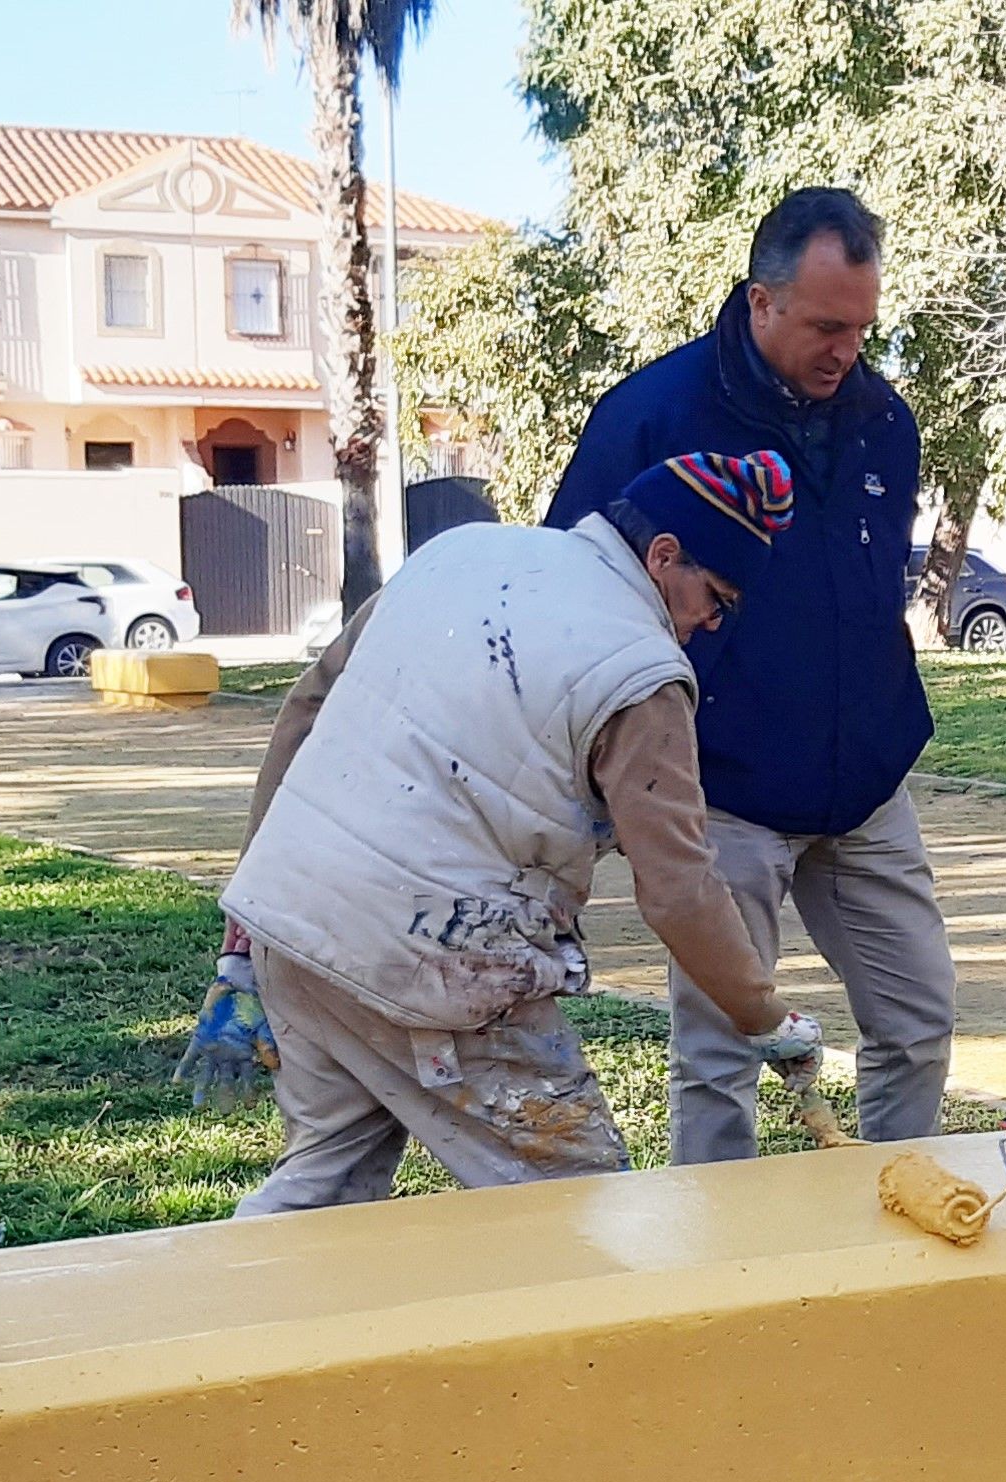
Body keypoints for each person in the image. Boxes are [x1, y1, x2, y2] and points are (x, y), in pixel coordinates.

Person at [183, 451, 825, 1213]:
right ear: (662, 555)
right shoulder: (639, 672)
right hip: (437, 965)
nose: (710, 623)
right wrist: (763, 1017)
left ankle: (242, 1291)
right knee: (574, 1204)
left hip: (293, 927)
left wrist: (251, 913)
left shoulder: (459, 553)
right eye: (714, 597)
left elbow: (306, 709)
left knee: (323, 1185)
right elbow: (678, 889)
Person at [544, 189, 954, 1164]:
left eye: (860, 327)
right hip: (720, 789)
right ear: (760, 301)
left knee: (918, 1019)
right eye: (824, 327)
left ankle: (903, 1218)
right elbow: (570, 594)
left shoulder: (881, 420)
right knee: (719, 1055)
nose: (845, 351)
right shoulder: (651, 415)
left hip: (866, 783)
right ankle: (715, 1246)